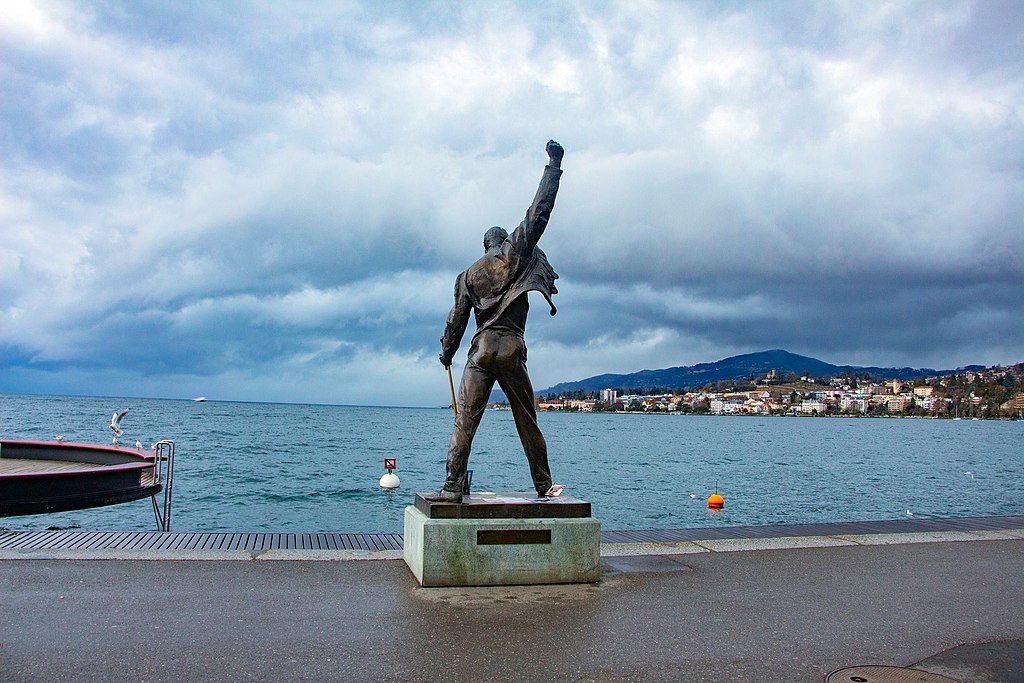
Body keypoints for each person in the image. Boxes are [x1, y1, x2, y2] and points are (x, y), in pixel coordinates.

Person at [424, 140, 564, 503]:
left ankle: (452, 486)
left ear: (484, 244)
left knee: (465, 421)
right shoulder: (514, 254)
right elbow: (538, 214)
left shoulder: (468, 276)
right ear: (502, 242)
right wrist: (553, 166)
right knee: (526, 420)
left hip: (481, 351)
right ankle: (544, 486)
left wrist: (447, 353)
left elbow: (455, 322)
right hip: (511, 348)